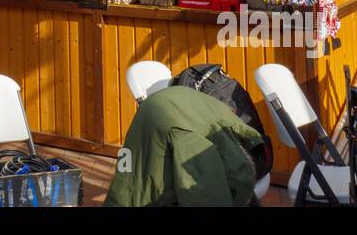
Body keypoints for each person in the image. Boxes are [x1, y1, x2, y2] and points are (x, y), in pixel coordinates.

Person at [104, 85, 265, 207]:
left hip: (156, 106)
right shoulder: (205, 148)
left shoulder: (228, 123)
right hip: (172, 123)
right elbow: (201, 195)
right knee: (150, 185)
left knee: (133, 174)